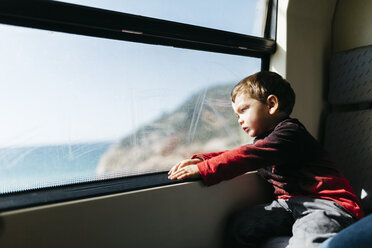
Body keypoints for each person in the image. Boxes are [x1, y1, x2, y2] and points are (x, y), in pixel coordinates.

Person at [168, 71, 364, 248]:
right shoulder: (264, 141)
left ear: (271, 104)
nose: (239, 120)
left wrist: (205, 169)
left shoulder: (290, 133)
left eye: (244, 110)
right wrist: (202, 160)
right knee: (241, 225)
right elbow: (243, 150)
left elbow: (248, 155)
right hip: (288, 204)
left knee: (308, 237)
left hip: (327, 203)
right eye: (236, 115)